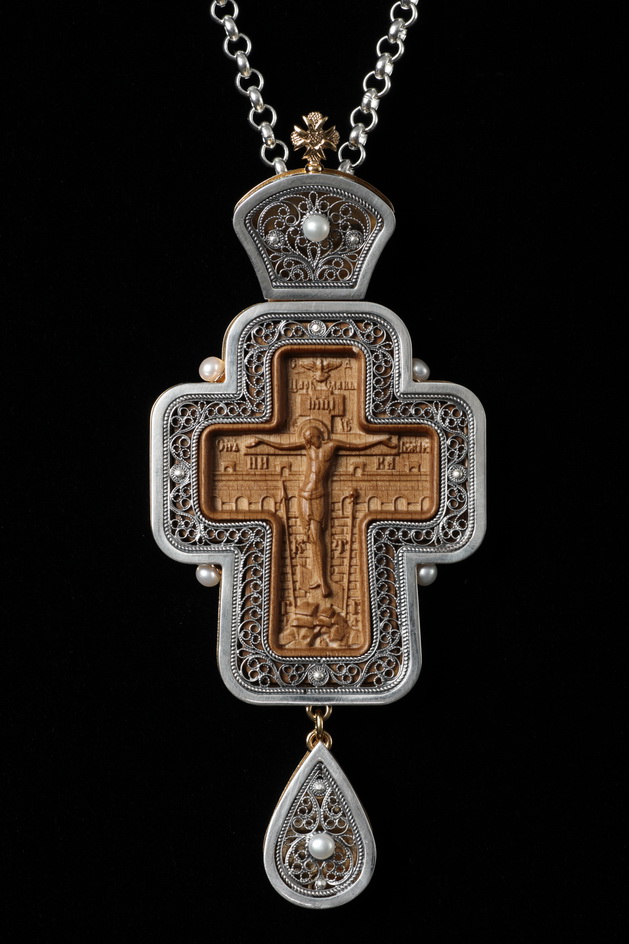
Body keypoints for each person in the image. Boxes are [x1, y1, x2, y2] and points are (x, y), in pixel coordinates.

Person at [247, 424, 396, 597]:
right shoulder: (308, 448)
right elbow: (283, 445)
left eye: (312, 439)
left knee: (318, 538)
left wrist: (381, 440)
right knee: (311, 538)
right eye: (308, 441)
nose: (310, 443)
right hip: (303, 495)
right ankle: (317, 577)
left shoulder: (331, 446)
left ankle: (323, 580)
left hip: (318, 496)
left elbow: (358, 445)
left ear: (318, 436)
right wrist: (261, 440)